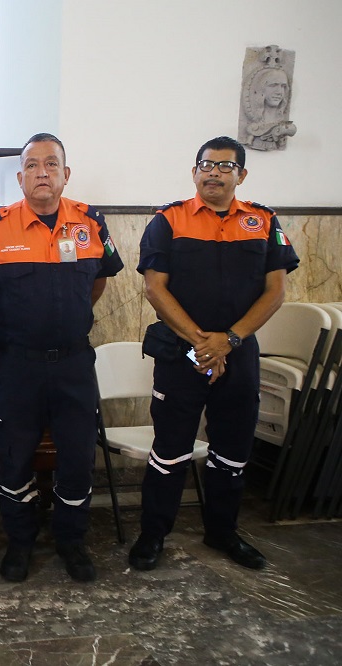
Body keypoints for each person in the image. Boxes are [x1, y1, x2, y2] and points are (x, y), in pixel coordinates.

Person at [128, 136, 299, 572]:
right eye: (206, 165)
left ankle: (223, 532)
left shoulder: (263, 221)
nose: (214, 173)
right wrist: (204, 342)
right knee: (170, 451)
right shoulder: (168, 220)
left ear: (241, 175)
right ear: (194, 172)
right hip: (181, 354)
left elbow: (275, 292)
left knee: (233, 451)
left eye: (225, 166)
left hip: (238, 355)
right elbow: (155, 288)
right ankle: (153, 535)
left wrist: (231, 340)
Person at [0, 133, 123, 583]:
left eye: (52, 164)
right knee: (15, 457)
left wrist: (71, 318)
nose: (43, 172)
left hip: (74, 365)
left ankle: (71, 541)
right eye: (33, 165)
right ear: (20, 177)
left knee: (77, 457)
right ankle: (20, 542)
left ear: (65, 174)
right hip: (17, 365)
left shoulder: (90, 223)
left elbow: (98, 280)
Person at [241, 67, 296, 151]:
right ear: (261, 88)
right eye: (273, 85)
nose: (279, 92)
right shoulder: (254, 125)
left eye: (283, 86)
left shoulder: (281, 124)